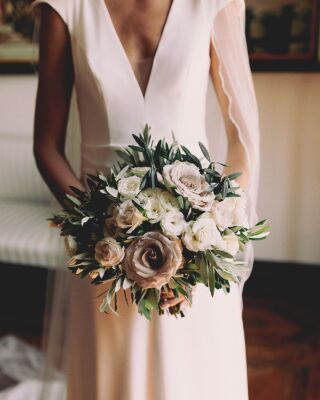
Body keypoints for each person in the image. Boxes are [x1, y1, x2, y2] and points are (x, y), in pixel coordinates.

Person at [29, 0, 261, 399]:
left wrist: (210, 231)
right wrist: (101, 230)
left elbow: (243, 138)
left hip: (196, 238)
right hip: (104, 250)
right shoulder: (65, 8)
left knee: (194, 375)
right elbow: (47, 147)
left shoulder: (212, 4)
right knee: (118, 377)